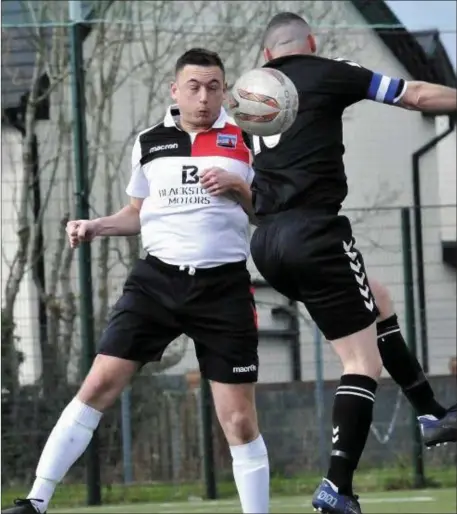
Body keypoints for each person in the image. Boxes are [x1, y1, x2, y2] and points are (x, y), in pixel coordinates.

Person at [3, 48, 269, 514]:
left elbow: (268, 212)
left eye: (213, 87)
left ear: (224, 91)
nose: (204, 97)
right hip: (157, 282)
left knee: (240, 420)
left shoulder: (246, 137)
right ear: (175, 90)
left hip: (223, 288)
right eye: (194, 87)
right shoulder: (149, 141)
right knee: (97, 386)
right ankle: (35, 502)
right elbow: (137, 213)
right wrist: (93, 226)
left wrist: (241, 189)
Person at [243, 12, 457, 514]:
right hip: (314, 234)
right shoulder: (327, 69)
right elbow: (418, 96)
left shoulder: (252, 92)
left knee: (377, 301)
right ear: (310, 43)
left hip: (267, 242)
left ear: (267, 55)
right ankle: (337, 486)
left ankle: (430, 414)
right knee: (362, 364)